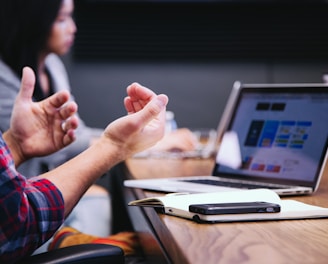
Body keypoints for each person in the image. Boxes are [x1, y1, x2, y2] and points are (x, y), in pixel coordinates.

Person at [0, 0, 197, 239]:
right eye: (61, 19)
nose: (72, 28)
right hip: (27, 204)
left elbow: (73, 134)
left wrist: (17, 146)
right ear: (33, 21)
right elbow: (21, 217)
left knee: (106, 202)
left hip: (37, 194)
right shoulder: (4, 79)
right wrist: (119, 145)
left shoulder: (52, 66)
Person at [0, 66, 168, 263]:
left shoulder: (53, 65)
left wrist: (15, 146)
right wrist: (115, 145)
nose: (73, 32)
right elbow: (17, 220)